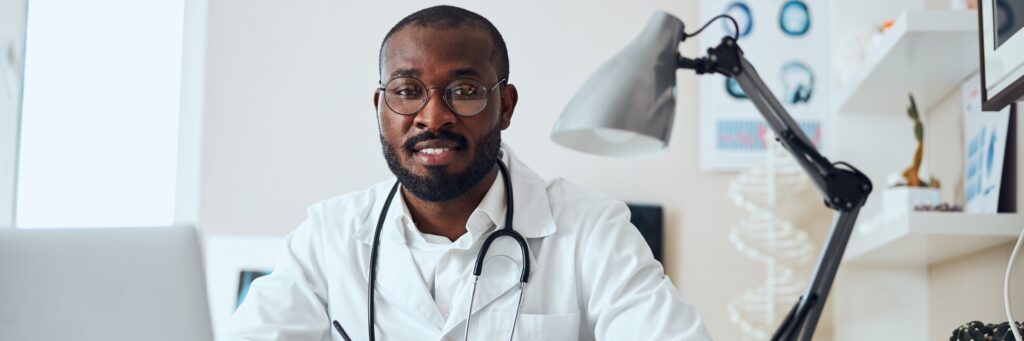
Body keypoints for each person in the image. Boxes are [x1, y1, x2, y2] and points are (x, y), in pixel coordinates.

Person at [222, 5, 711, 340]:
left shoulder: (591, 230)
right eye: (408, 90)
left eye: (465, 90)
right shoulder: (328, 236)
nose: (433, 117)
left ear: (506, 105)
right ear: (380, 107)